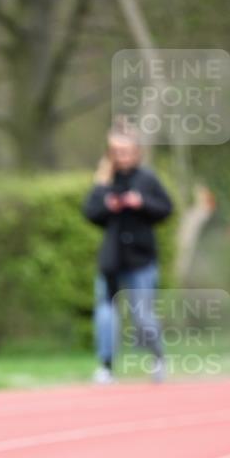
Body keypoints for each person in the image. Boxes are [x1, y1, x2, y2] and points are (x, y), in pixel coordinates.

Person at [83, 128, 173, 383]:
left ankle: (157, 359)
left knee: (142, 314)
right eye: (117, 152)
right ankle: (106, 366)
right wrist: (107, 206)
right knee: (106, 313)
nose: (122, 157)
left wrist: (141, 202)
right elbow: (90, 212)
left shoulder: (147, 179)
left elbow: (166, 208)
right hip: (112, 259)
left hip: (141, 259)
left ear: (136, 153)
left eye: (126, 152)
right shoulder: (103, 181)